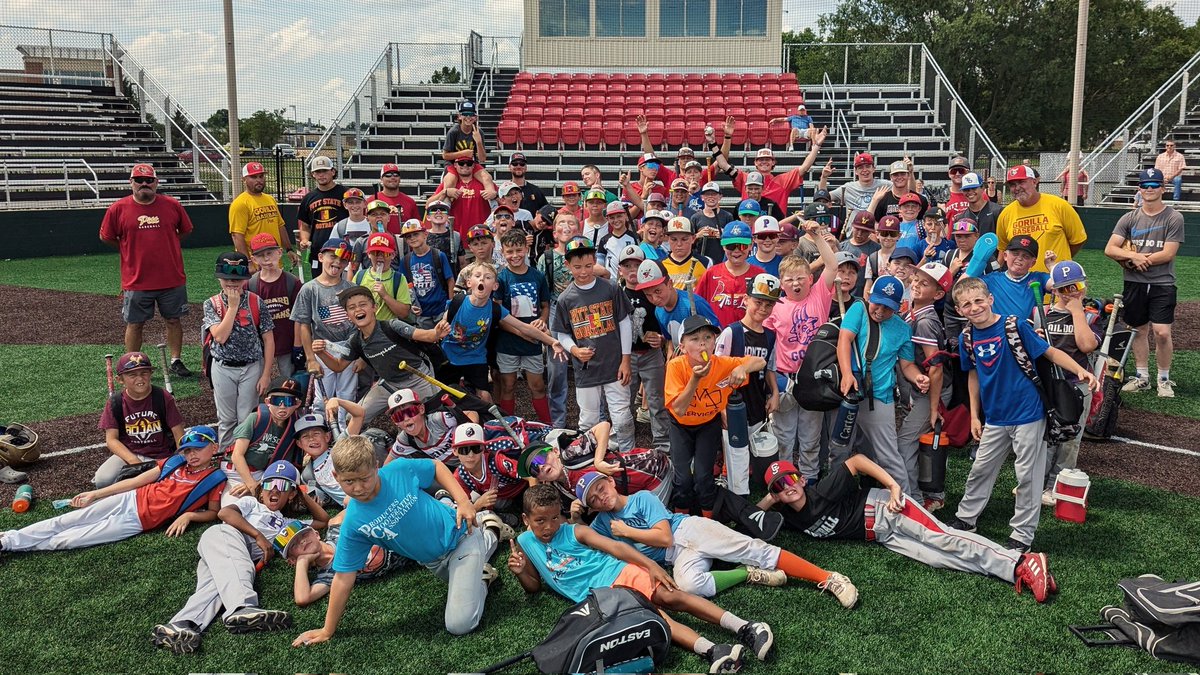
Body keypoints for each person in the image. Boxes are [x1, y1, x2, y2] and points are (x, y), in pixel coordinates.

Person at [512, 484, 768, 674]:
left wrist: (651, 566)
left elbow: (618, 549)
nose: (549, 526)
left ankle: (746, 627)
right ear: (526, 520)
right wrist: (522, 570)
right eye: (540, 521)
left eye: (555, 518)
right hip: (601, 600)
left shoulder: (575, 531)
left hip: (620, 573)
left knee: (673, 597)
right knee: (658, 619)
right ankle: (714, 651)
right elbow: (533, 587)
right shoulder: (524, 543)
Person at [758, 456, 1059, 603]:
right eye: (779, 487)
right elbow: (754, 518)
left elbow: (857, 460)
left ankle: (1021, 561)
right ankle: (1009, 571)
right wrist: (770, 499)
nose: (789, 488)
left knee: (944, 538)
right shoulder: (791, 519)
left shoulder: (821, 490)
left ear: (801, 478)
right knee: (938, 558)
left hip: (885, 509)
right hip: (881, 535)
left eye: (791, 478)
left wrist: (892, 486)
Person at [291, 434, 500, 644]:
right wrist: (328, 630)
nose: (358, 488)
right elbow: (343, 578)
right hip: (433, 562)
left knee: (459, 624)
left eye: (364, 478)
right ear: (336, 476)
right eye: (349, 481)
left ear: (376, 466)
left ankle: (489, 528)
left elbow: (436, 467)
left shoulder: (399, 470)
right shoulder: (354, 523)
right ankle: (481, 572)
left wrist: (463, 501)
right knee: (464, 586)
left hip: (462, 536)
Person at [943, 277, 1098, 552]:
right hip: (995, 417)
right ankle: (966, 518)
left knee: (1028, 476)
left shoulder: (1014, 326)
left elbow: (1049, 352)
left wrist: (1080, 370)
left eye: (979, 300)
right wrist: (975, 415)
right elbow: (973, 375)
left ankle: (1022, 534)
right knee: (980, 469)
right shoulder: (967, 337)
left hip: (1028, 413)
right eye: (966, 304)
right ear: (959, 310)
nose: (974, 307)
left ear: (990, 300)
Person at [580, 471, 856, 607]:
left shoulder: (642, 498)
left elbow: (664, 537)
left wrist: (627, 532)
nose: (601, 497)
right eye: (593, 498)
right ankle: (746, 574)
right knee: (688, 587)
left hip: (686, 530)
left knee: (755, 549)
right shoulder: (603, 523)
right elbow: (580, 537)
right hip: (674, 556)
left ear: (611, 482)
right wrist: (573, 515)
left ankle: (829, 577)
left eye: (601, 488)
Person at [151, 460, 325, 654]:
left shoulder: (288, 524)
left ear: (291, 493)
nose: (274, 490)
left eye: (283, 486)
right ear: (262, 488)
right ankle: (242, 607)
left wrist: (302, 494)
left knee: (217, 586)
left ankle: (181, 625)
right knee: (240, 570)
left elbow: (323, 521)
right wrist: (258, 536)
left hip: (230, 560)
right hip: (222, 536)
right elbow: (225, 513)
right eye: (269, 484)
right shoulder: (252, 503)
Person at [1, 426, 224, 553]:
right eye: (187, 451)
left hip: (138, 521)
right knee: (67, 521)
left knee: (68, 540)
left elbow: (214, 512)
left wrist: (189, 515)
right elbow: (136, 481)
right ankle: (7, 541)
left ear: (214, 448)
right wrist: (96, 494)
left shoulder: (215, 478)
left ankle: (14, 544)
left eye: (198, 449)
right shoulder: (174, 462)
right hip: (130, 499)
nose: (191, 455)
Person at [665, 315, 766, 518]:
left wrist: (742, 367)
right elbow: (679, 409)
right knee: (683, 478)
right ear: (682, 347)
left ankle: (709, 521)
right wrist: (695, 379)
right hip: (681, 425)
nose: (702, 343)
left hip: (708, 424)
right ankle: (679, 519)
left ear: (714, 343)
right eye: (694, 338)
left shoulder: (722, 364)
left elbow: (760, 361)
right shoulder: (676, 367)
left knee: (704, 476)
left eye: (708, 337)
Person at [99, 163, 194, 377]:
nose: (144, 184)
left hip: (171, 278)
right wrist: (127, 249)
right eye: (139, 180)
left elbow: (186, 230)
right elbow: (106, 237)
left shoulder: (171, 205)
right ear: (131, 183)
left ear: (156, 182)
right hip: (137, 280)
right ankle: (131, 364)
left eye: (149, 180)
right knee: (135, 323)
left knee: (173, 320)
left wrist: (168, 242)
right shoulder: (118, 208)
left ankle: (176, 360)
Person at [835, 275, 931, 478]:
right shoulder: (859, 309)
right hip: (848, 392)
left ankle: (904, 501)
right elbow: (844, 338)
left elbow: (907, 365)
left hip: (878, 396)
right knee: (839, 452)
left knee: (887, 456)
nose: (879, 311)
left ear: (898, 307)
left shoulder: (903, 329)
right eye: (877, 303)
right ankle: (838, 498)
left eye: (887, 308)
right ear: (870, 296)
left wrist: (917, 378)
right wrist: (846, 374)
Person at [763, 228, 838, 480]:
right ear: (781, 283)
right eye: (789, 280)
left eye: (800, 278)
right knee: (783, 435)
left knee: (810, 436)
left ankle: (810, 477)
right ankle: (784, 478)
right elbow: (766, 343)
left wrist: (816, 237)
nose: (796, 284)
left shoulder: (819, 296)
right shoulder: (774, 305)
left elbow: (832, 264)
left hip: (813, 378)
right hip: (785, 377)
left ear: (810, 278)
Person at [309, 285, 446, 422]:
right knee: (353, 418)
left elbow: (427, 336)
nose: (358, 310)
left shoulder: (392, 326)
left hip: (417, 378)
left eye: (363, 304)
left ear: (374, 307)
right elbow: (338, 367)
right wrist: (320, 353)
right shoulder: (355, 341)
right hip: (389, 384)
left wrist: (437, 332)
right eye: (351, 308)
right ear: (347, 315)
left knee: (433, 416)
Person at [1105, 167, 1185, 398]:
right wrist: (1132, 256)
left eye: (1154, 186)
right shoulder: (1129, 217)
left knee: (1161, 332)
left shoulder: (1173, 217)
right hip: (1134, 282)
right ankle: (1142, 377)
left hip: (1162, 283)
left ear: (1163, 188)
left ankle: (1164, 378)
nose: (1150, 190)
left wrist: (1140, 258)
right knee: (1138, 330)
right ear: (1139, 189)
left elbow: (1168, 253)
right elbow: (1110, 248)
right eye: (1145, 186)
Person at [438, 260, 565, 403]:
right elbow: (443, 322)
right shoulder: (458, 301)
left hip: (475, 357)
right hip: (450, 355)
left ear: (495, 286)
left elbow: (525, 327)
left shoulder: (495, 309)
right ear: (469, 282)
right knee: (445, 394)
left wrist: (552, 341)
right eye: (478, 276)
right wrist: (440, 328)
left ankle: (493, 423)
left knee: (484, 396)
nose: (482, 279)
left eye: (487, 277)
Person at [551, 237, 635, 451]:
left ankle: (627, 455)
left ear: (595, 262)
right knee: (588, 417)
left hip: (614, 364)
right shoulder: (565, 298)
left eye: (588, 266)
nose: (583, 272)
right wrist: (575, 350)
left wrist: (626, 360)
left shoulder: (610, 288)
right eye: (577, 267)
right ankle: (589, 458)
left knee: (622, 415)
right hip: (586, 369)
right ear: (567, 265)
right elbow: (562, 333)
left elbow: (625, 322)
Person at [714, 273, 782, 493]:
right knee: (736, 450)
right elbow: (716, 373)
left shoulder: (770, 336)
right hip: (733, 403)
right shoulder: (731, 332)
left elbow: (770, 367)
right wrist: (721, 407)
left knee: (753, 446)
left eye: (769, 304)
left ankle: (745, 483)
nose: (763, 308)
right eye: (758, 302)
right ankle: (738, 494)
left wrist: (775, 393)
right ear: (746, 300)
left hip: (757, 401)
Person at [1040, 260, 1100, 505]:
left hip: (1076, 385)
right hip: (1048, 385)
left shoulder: (1089, 316)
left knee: (1069, 441)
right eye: (1064, 288)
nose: (1072, 292)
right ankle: (1037, 481)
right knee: (1044, 437)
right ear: (1054, 290)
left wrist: (1077, 311)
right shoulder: (1041, 313)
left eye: (1076, 286)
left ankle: (1057, 484)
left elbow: (1086, 345)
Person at [895, 262, 954, 510]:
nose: (917, 284)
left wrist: (933, 408)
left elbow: (936, 368)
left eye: (925, 283)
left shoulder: (925, 321)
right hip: (921, 390)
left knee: (904, 443)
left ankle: (915, 501)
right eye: (917, 278)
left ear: (939, 294)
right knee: (917, 442)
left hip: (931, 393)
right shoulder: (913, 312)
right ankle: (932, 494)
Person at [203, 251, 275, 448]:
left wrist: (266, 374)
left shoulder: (256, 301)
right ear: (219, 278)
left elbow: (268, 339)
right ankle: (226, 455)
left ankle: (246, 455)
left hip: (251, 367)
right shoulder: (212, 304)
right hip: (222, 367)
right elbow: (220, 336)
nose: (232, 283)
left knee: (246, 417)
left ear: (245, 279)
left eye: (237, 279)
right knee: (226, 419)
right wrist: (233, 307)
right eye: (227, 279)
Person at [280, 515, 411, 609]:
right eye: (294, 545)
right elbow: (303, 598)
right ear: (292, 560)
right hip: (412, 556)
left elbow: (357, 506)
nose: (302, 541)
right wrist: (302, 562)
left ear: (316, 533)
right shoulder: (328, 576)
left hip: (405, 529)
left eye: (304, 534)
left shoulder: (336, 529)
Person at [95, 351, 184, 488]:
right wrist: (133, 461)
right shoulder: (116, 402)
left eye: (144, 373)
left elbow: (178, 433)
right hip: (130, 454)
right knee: (103, 480)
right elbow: (111, 439)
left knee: (165, 484)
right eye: (132, 375)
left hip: (162, 454)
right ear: (120, 380)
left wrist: (181, 459)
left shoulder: (162, 397)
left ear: (151, 374)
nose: (140, 379)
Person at [292, 239, 357, 414]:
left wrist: (360, 356)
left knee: (347, 395)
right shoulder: (309, 289)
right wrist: (311, 358)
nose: (337, 263)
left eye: (343, 260)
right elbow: (304, 325)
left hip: (349, 347)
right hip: (323, 347)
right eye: (332, 257)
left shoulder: (351, 288)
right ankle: (321, 432)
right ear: (321, 257)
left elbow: (360, 325)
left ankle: (345, 435)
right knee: (323, 397)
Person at [495, 230, 553, 421]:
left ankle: (547, 426)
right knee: (508, 385)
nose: (515, 255)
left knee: (537, 385)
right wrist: (522, 333)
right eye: (509, 251)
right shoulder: (501, 278)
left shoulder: (537, 276)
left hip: (533, 342)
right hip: (508, 342)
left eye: (519, 250)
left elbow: (545, 306)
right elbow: (499, 316)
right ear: (503, 252)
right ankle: (508, 427)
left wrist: (543, 321)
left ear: (527, 249)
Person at [617, 245, 670, 450]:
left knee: (657, 400)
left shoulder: (652, 292)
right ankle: (625, 443)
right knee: (624, 400)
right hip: (626, 356)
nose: (632, 270)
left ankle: (663, 444)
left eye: (636, 265)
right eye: (627, 265)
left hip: (650, 354)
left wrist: (661, 338)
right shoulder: (617, 292)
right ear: (620, 268)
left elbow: (665, 323)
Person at [995, 164, 1087, 273]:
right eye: (1012, 185)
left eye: (1021, 182)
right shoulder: (1005, 214)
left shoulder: (1059, 205)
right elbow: (1003, 247)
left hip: (1056, 281)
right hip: (1022, 284)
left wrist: (1061, 260)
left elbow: (1077, 241)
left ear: (1034, 182)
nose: (1017, 188)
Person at [223, 379, 306, 496]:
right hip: (236, 470)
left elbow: (283, 465)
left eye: (288, 401)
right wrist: (252, 485)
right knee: (232, 508)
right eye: (277, 401)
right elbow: (237, 455)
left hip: (262, 473)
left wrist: (260, 483)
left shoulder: (294, 427)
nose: (282, 406)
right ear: (267, 402)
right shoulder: (256, 418)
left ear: (297, 404)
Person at [718, 133, 829, 212]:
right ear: (755, 163)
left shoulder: (783, 180)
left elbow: (804, 168)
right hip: (749, 229)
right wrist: (725, 138)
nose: (764, 162)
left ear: (773, 162)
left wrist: (816, 146)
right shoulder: (744, 177)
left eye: (767, 159)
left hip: (774, 232)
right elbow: (723, 165)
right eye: (761, 159)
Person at [248, 233, 304, 380]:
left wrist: (298, 344)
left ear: (279, 252)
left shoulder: (292, 282)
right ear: (254, 259)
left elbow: (300, 317)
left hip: (287, 340)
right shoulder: (252, 284)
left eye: (270, 253)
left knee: (289, 380)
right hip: (260, 344)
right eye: (261, 255)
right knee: (257, 381)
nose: (266, 258)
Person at [696, 222, 764, 328]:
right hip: (717, 337)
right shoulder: (711, 273)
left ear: (751, 245)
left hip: (750, 338)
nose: (736, 251)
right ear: (723, 246)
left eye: (742, 245)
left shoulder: (760, 275)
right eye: (731, 246)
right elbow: (698, 305)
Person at [397, 219, 456, 329]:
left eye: (416, 234)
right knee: (426, 342)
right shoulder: (406, 260)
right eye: (408, 236)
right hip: (421, 312)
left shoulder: (438, 255)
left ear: (425, 234)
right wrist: (410, 304)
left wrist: (450, 303)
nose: (412, 238)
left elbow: (450, 280)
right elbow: (405, 284)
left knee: (444, 337)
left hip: (441, 309)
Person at [296, 156, 348, 280]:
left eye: (325, 171)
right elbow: (305, 226)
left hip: (341, 250)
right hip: (318, 251)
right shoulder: (308, 198)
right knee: (319, 285)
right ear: (313, 174)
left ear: (333, 172)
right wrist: (304, 240)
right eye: (318, 172)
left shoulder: (345, 194)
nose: (321, 175)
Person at [229, 161, 292, 262]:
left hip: (274, 260)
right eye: (254, 177)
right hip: (256, 262)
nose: (259, 180)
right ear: (244, 180)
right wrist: (248, 262)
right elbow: (237, 236)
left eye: (261, 176)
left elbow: (280, 226)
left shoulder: (270, 199)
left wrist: (289, 249)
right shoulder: (240, 203)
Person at [351, 232, 411, 322]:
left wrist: (385, 295)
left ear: (393, 255)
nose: (380, 257)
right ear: (368, 254)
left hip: (388, 331)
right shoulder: (360, 276)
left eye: (385, 253)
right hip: (364, 330)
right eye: (375, 253)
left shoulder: (399, 279)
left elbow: (404, 313)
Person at [869, 158, 927, 222]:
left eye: (902, 174)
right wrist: (874, 200)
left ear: (908, 175)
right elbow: (875, 223)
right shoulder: (882, 199)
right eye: (895, 175)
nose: (899, 177)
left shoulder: (921, 200)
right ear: (891, 177)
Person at [369, 163, 419, 236]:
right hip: (378, 242)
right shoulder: (371, 201)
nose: (392, 177)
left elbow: (416, 226)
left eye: (396, 175)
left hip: (403, 244)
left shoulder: (410, 201)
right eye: (388, 175)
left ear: (400, 179)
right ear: (381, 179)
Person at [840, 211, 880, 298]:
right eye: (857, 229)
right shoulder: (842, 246)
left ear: (870, 232)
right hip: (843, 295)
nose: (859, 234)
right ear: (852, 226)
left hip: (863, 296)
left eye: (864, 231)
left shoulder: (876, 249)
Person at [943, 157, 971, 224]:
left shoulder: (978, 194)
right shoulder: (942, 197)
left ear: (968, 172)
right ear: (949, 174)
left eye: (961, 171)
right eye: (954, 171)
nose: (957, 174)